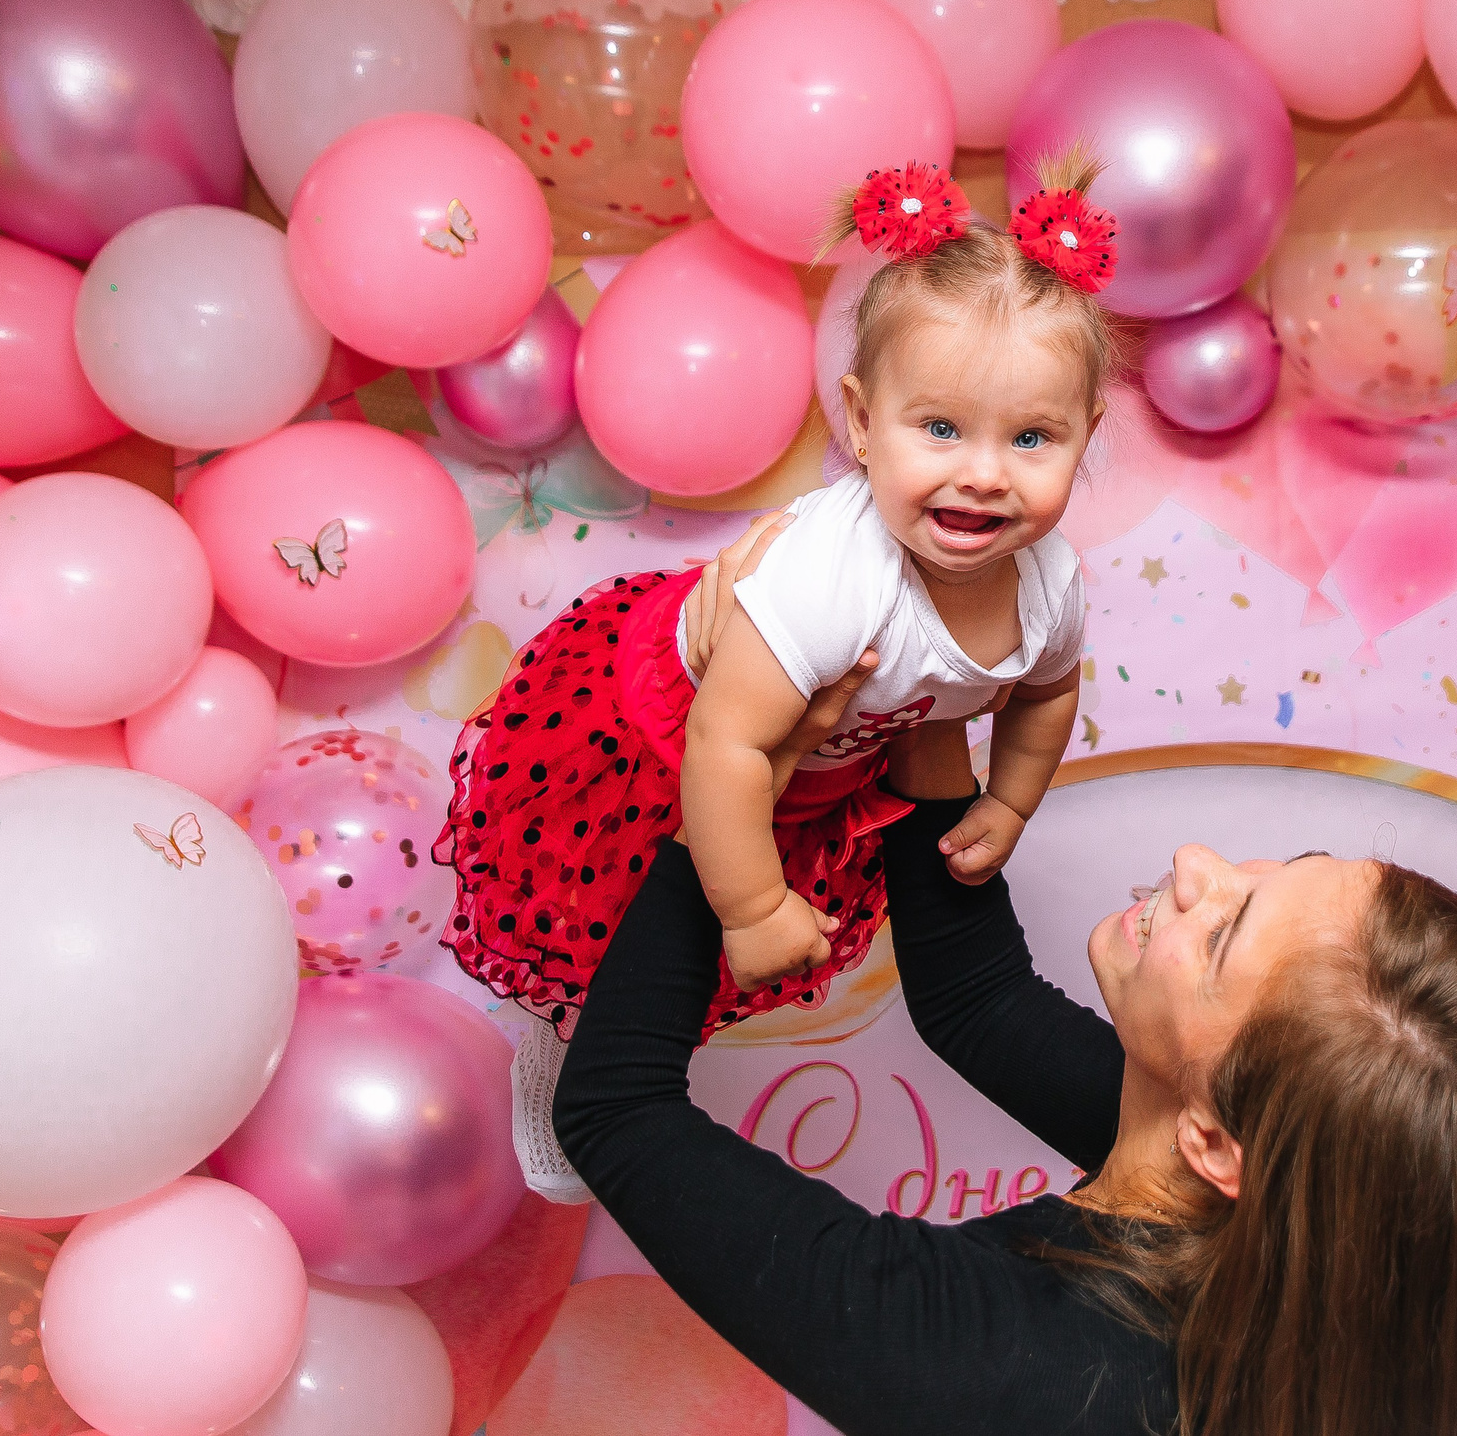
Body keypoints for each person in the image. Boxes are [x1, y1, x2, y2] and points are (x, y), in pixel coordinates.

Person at [551, 519, 1457, 1436]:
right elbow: (980, 1006)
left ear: (1215, 1140)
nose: (1194, 866)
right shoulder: (1305, 1216)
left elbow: (612, 1107)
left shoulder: (1005, 1366)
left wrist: (734, 795)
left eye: (1220, 936)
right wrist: (929, 703)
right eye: (1288, 867)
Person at [439, 156, 1117, 1075]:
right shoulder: (828, 584)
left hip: (817, 763)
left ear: (1088, 430)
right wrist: (754, 908)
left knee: (716, 942)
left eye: (1033, 437)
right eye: (942, 429)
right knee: (616, 904)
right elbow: (727, 747)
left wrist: (1008, 801)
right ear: (863, 422)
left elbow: (1048, 690)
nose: (987, 474)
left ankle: (603, 1019)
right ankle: (564, 1041)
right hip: (675, 739)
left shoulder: (1049, 586)